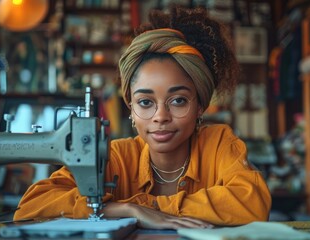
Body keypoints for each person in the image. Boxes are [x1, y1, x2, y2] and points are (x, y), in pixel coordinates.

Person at [14, 5, 271, 229]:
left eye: (178, 100)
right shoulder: (116, 157)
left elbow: (252, 203)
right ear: (131, 109)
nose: (161, 116)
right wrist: (129, 211)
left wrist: (153, 207)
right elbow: (31, 206)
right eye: (145, 102)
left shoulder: (218, 144)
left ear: (200, 106)